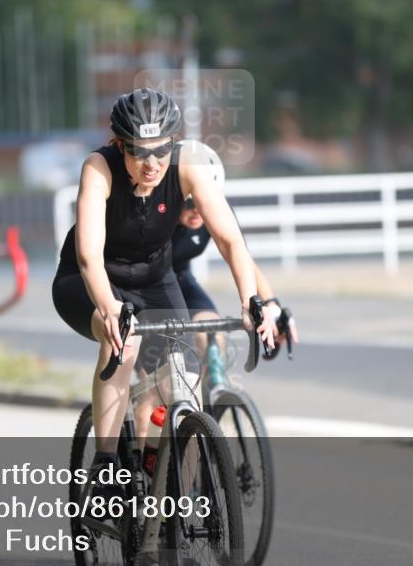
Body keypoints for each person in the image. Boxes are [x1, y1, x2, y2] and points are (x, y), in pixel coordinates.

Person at [51, 88, 277, 473]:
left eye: (161, 150)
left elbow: (229, 239)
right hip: (89, 281)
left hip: (155, 280)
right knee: (124, 345)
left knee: (185, 382)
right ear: (118, 145)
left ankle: (169, 492)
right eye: (139, 151)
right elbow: (89, 255)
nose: (152, 163)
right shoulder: (98, 168)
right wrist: (108, 307)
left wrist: (251, 300)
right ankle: (106, 465)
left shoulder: (188, 165)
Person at [167, 140, 299, 368]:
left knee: (213, 340)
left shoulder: (215, 210)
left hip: (181, 280)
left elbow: (244, 260)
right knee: (163, 367)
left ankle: (211, 396)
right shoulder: (158, 216)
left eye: (203, 201)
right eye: (190, 202)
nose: (197, 210)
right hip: (147, 284)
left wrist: (271, 304)